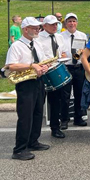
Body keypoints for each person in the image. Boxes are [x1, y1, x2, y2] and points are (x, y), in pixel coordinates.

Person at [6, 17, 51, 160]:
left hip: (38, 81)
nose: (38, 29)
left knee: (38, 113)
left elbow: (41, 61)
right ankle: (19, 149)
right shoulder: (16, 46)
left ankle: (33, 142)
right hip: (25, 83)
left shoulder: (36, 43)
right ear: (25, 29)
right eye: (34, 27)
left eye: (38, 27)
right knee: (25, 116)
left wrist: (44, 66)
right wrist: (32, 66)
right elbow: (11, 66)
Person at [38, 15, 68, 139]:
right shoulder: (38, 38)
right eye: (52, 24)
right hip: (44, 71)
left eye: (56, 24)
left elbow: (63, 52)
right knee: (47, 102)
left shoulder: (59, 37)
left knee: (60, 100)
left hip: (58, 69)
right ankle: (45, 129)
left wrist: (63, 56)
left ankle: (58, 125)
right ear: (44, 26)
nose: (55, 26)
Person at [60, 13, 88, 127]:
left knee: (79, 94)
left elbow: (85, 51)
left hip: (79, 68)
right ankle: (64, 120)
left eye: (74, 21)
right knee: (65, 95)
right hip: (66, 67)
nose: (72, 23)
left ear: (77, 22)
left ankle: (78, 117)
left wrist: (81, 53)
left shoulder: (82, 36)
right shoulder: (60, 36)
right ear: (66, 23)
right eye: (69, 21)